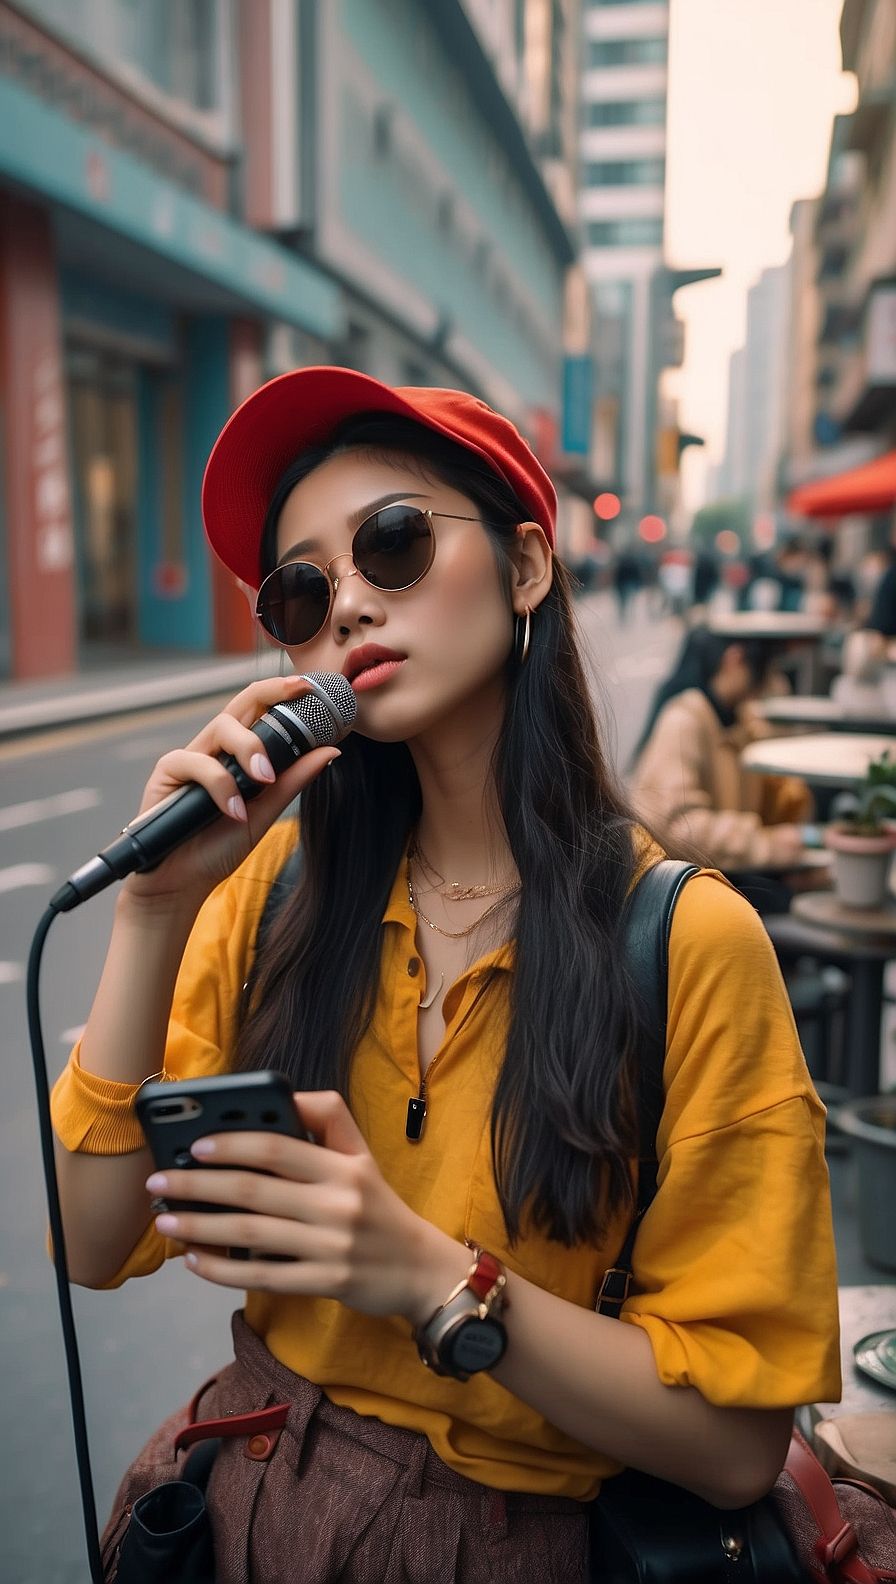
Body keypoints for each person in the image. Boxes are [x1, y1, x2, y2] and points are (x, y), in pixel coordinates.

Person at [50, 369, 839, 1583]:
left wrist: (426, 1279)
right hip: (244, 1516)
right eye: (302, 591)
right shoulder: (264, 897)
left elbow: (735, 1449)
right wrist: (157, 908)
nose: (349, 608)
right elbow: (90, 1241)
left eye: (395, 543)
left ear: (525, 569)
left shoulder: (683, 943)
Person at [629, 627, 821, 912]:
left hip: (718, 873)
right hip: (684, 891)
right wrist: (768, 845)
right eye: (767, 669)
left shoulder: (738, 718)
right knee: (798, 903)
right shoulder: (684, 721)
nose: (772, 680)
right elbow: (679, 828)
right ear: (734, 659)